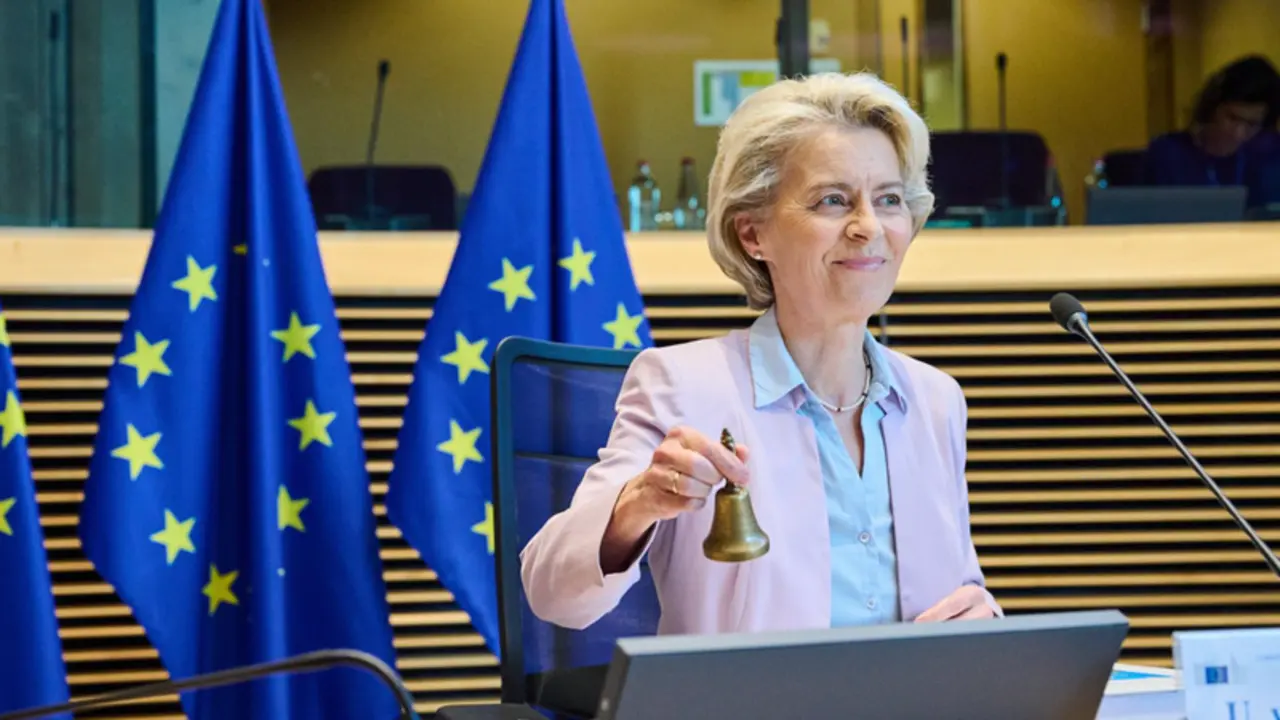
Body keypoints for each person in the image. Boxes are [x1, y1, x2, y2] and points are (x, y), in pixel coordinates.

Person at [520, 72, 1001, 637]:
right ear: (753, 234)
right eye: (833, 200)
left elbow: (963, 590)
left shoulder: (936, 400)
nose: (868, 226)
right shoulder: (681, 385)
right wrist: (637, 504)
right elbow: (551, 593)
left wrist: (982, 615)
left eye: (889, 199)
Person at [1144, 55, 1280, 206]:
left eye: (1252, 124)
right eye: (1232, 118)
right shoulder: (1167, 155)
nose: (1238, 133)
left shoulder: (1270, 157)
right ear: (1212, 108)